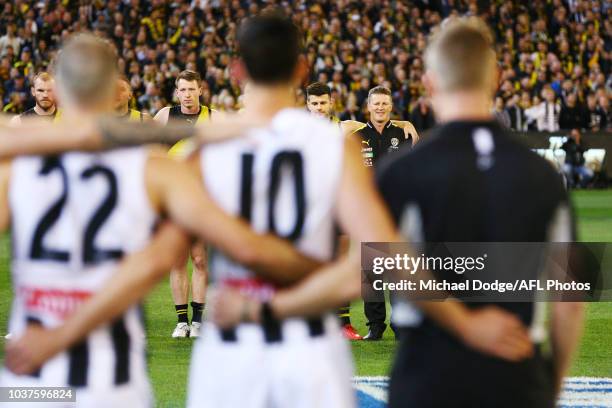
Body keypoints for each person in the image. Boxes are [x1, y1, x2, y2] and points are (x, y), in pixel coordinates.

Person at [0, 33, 320, 407]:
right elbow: (242, 248)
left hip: (28, 384)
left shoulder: (16, 168)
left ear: (56, 89)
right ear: (117, 88)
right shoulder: (157, 172)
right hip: (112, 384)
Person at [378, 18, 583, 407]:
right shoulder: (544, 175)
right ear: (497, 77)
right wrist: (547, 385)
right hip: (516, 376)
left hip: (426, 376)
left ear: (430, 83)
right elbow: (570, 298)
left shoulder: (401, 170)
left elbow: (375, 269)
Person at [155, 69, 211, 338]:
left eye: (192, 89)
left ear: (200, 90)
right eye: (183, 90)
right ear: (177, 92)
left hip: (200, 199)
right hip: (172, 200)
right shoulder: (165, 116)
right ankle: (181, 321)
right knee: (178, 260)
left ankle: (198, 320)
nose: (187, 94)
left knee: (200, 259)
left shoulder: (213, 117)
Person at [355, 85, 415, 340]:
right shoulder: (355, 136)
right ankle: (375, 326)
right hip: (368, 213)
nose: (379, 107)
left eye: (384, 103)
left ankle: (401, 325)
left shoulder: (403, 135)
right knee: (371, 274)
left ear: (391, 107)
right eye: (375, 103)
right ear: (368, 107)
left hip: (396, 213)